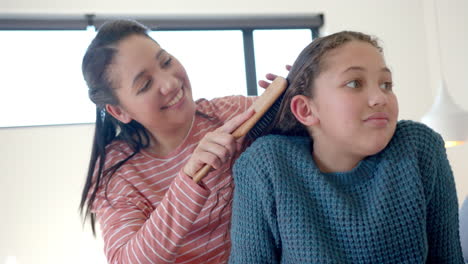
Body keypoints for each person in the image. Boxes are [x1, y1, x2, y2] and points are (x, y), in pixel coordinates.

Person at [229, 31, 464, 263]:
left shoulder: (418, 148)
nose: (380, 97)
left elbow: (447, 257)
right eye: (354, 83)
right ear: (305, 110)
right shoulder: (267, 164)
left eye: (386, 84)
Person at [79, 19, 259, 263]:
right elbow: (126, 260)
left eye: (166, 62)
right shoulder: (120, 175)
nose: (171, 83)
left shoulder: (229, 113)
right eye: (145, 84)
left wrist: (298, 93)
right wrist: (189, 179)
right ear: (119, 111)